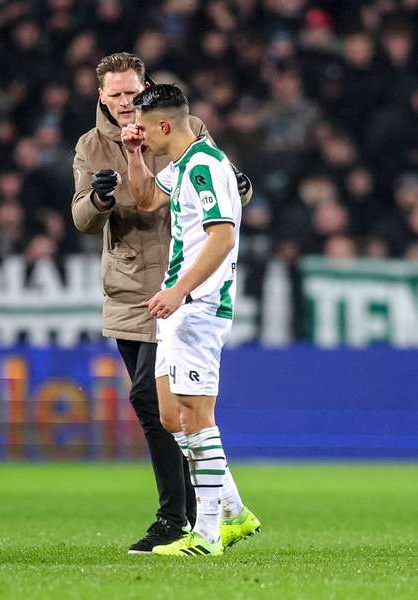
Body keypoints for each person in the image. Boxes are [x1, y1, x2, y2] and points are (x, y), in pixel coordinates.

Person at [70, 52, 254, 554]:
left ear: (148, 93)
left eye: (134, 93)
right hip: (135, 291)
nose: (127, 104)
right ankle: (226, 511)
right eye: (117, 96)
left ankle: (191, 520)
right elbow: (109, 210)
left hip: (186, 293)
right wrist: (106, 194)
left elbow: (220, 203)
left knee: (173, 408)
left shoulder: (189, 138)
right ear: (101, 98)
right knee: (163, 411)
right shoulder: (91, 146)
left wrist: (241, 187)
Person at [123, 83, 258, 556]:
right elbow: (143, 201)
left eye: (142, 125)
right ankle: (235, 511)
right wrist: (135, 155)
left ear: (165, 123)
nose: (135, 128)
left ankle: (206, 534)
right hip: (178, 304)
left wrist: (179, 291)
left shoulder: (204, 166)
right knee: (168, 415)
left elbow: (221, 236)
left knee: (197, 416)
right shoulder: (182, 165)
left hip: (197, 304)